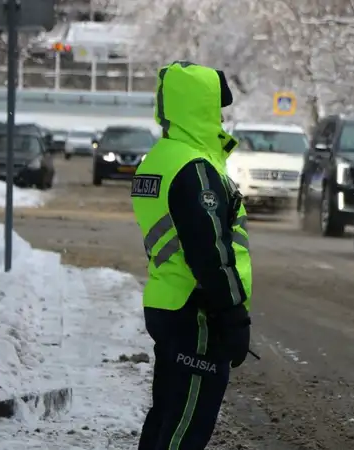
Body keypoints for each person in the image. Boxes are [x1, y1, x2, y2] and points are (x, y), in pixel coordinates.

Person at [130, 61, 253, 450]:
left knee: (167, 414)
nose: (220, 116)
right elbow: (210, 250)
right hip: (197, 311)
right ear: (199, 106)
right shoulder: (195, 169)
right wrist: (232, 314)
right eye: (216, 107)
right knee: (186, 428)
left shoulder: (160, 158)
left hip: (169, 303)